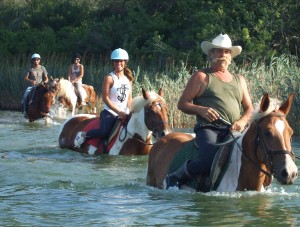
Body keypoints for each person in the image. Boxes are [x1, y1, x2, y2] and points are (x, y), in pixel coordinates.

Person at [166, 34, 254, 189]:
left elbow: (249, 109)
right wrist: (200, 109)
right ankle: (178, 175)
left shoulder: (239, 79)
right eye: (218, 51)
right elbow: (182, 104)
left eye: (226, 52)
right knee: (210, 160)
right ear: (211, 54)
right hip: (209, 128)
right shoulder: (201, 76)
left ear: (230, 56)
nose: (222, 55)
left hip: (234, 130)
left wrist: (242, 121)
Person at [74, 48, 134, 148]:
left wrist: (130, 112)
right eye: (116, 61)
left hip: (125, 113)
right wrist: (118, 111)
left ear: (125, 62)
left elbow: (129, 99)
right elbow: (105, 98)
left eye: (121, 61)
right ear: (113, 62)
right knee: (103, 132)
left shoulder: (129, 79)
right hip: (110, 112)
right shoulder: (109, 78)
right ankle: (84, 135)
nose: (118, 63)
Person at [22, 53, 49, 118]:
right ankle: (25, 111)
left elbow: (46, 77)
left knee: (49, 95)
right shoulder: (30, 68)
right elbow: (25, 78)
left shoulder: (42, 68)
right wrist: (31, 81)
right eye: (34, 60)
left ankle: (48, 111)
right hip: (32, 86)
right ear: (32, 61)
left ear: (39, 60)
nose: (36, 61)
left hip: (40, 86)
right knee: (25, 96)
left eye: (37, 60)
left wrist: (45, 81)